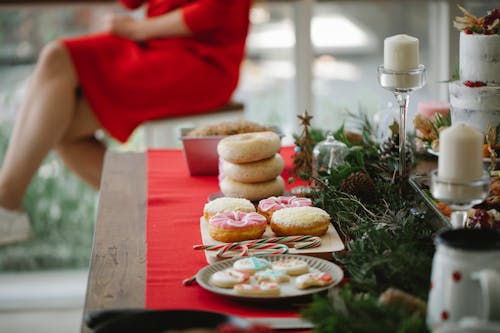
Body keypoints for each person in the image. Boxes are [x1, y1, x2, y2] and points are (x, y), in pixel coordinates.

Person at [0, 0, 251, 245]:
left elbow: (217, 8)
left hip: (205, 56)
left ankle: (6, 204)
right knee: (55, 69)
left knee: (56, 120)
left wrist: (137, 29)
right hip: (154, 43)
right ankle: (157, 214)